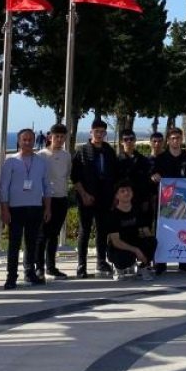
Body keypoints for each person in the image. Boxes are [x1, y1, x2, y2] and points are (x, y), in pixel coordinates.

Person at [0, 129, 51, 289]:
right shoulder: (10, 161)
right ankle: (11, 276)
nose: (27, 143)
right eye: (24, 140)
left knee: (31, 243)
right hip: (15, 208)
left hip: (35, 207)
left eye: (30, 140)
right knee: (14, 244)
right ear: (19, 141)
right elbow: (3, 188)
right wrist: (4, 210)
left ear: (35, 141)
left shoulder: (41, 162)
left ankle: (30, 272)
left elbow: (47, 187)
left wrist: (48, 208)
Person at [71, 118, 119, 278]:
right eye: (96, 131)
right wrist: (84, 194)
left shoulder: (109, 151)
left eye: (102, 132)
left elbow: (115, 176)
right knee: (85, 231)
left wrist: (114, 196)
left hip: (105, 198)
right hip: (86, 198)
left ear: (105, 133)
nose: (99, 134)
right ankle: (81, 265)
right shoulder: (82, 151)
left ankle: (101, 261)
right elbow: (75, 177)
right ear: (91, 132)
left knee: (102, 231)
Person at [151, 128, 186, 275]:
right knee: (163, 232)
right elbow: (153, 177)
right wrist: (155, 177)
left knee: (183, 230)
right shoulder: (161, 158)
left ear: (181, 139)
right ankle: (161, 263)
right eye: (173, 138)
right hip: (165, 202)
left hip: (183, 202)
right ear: (168, 140)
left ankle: (183, 262)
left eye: (178, 138)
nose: (176, 140)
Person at [35, 123, 71, 281]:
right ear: (50, 136)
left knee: (54, 235)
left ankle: (51, 266)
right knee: (42, 235)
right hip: (45, 200)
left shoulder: (66, 155)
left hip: (61, 198)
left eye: (62, 137)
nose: (59, 139)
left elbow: (67, 175)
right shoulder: (41, 155)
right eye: (57, 136)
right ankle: (38, 268)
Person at [105, 182, 157, 281]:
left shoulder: (138, 211)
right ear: (117, 195)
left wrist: (150, 253)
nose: (126, 193)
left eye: (128, 190)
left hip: (135, 241)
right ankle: (119, 269)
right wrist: (136, 250)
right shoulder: (112, 215)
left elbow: (146, 231)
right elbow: (116, 242)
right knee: (124, 257)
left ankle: (143, 268)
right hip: (119, 247)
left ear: (132, 193)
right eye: (122, 191)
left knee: (152, 241)